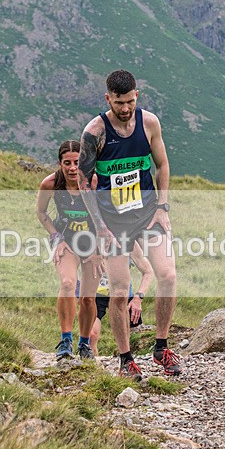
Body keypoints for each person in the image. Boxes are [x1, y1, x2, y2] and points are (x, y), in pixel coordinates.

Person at [78, 69, 180, 379]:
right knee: (120, 292)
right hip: (113, 222)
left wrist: (162, 207)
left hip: (148, 212)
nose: (125, 109)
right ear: (108, 98)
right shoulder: (94, 132)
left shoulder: (149, 124)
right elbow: (84, 183)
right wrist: (100, 227)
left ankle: (161, 346)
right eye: (119, 103)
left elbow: (161, 165)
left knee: (168, 275)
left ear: (138, 96)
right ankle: (126, 360)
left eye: (131, 102)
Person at [36, 140, 102, 361]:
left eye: (77, 162)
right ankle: (65, 341)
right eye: (67, 163)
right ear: (59, 163)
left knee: (88, 299)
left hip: (93, 244)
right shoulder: (51, 184)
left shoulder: (93, 182)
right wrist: (56, 237)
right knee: (67, 283)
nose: (73, 168)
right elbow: (42, 213)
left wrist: (100, 249)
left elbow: (107, 216)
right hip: (67, 242)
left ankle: (84, 344)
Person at [89, 242, 153, 356]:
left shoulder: (129, 240)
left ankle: (130, 365)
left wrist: (138, 298)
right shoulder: (90, 237)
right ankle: (92, 367)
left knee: (132, 339)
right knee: (91, 336)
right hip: (97, 295)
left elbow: (148, 271)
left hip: (123, 296)